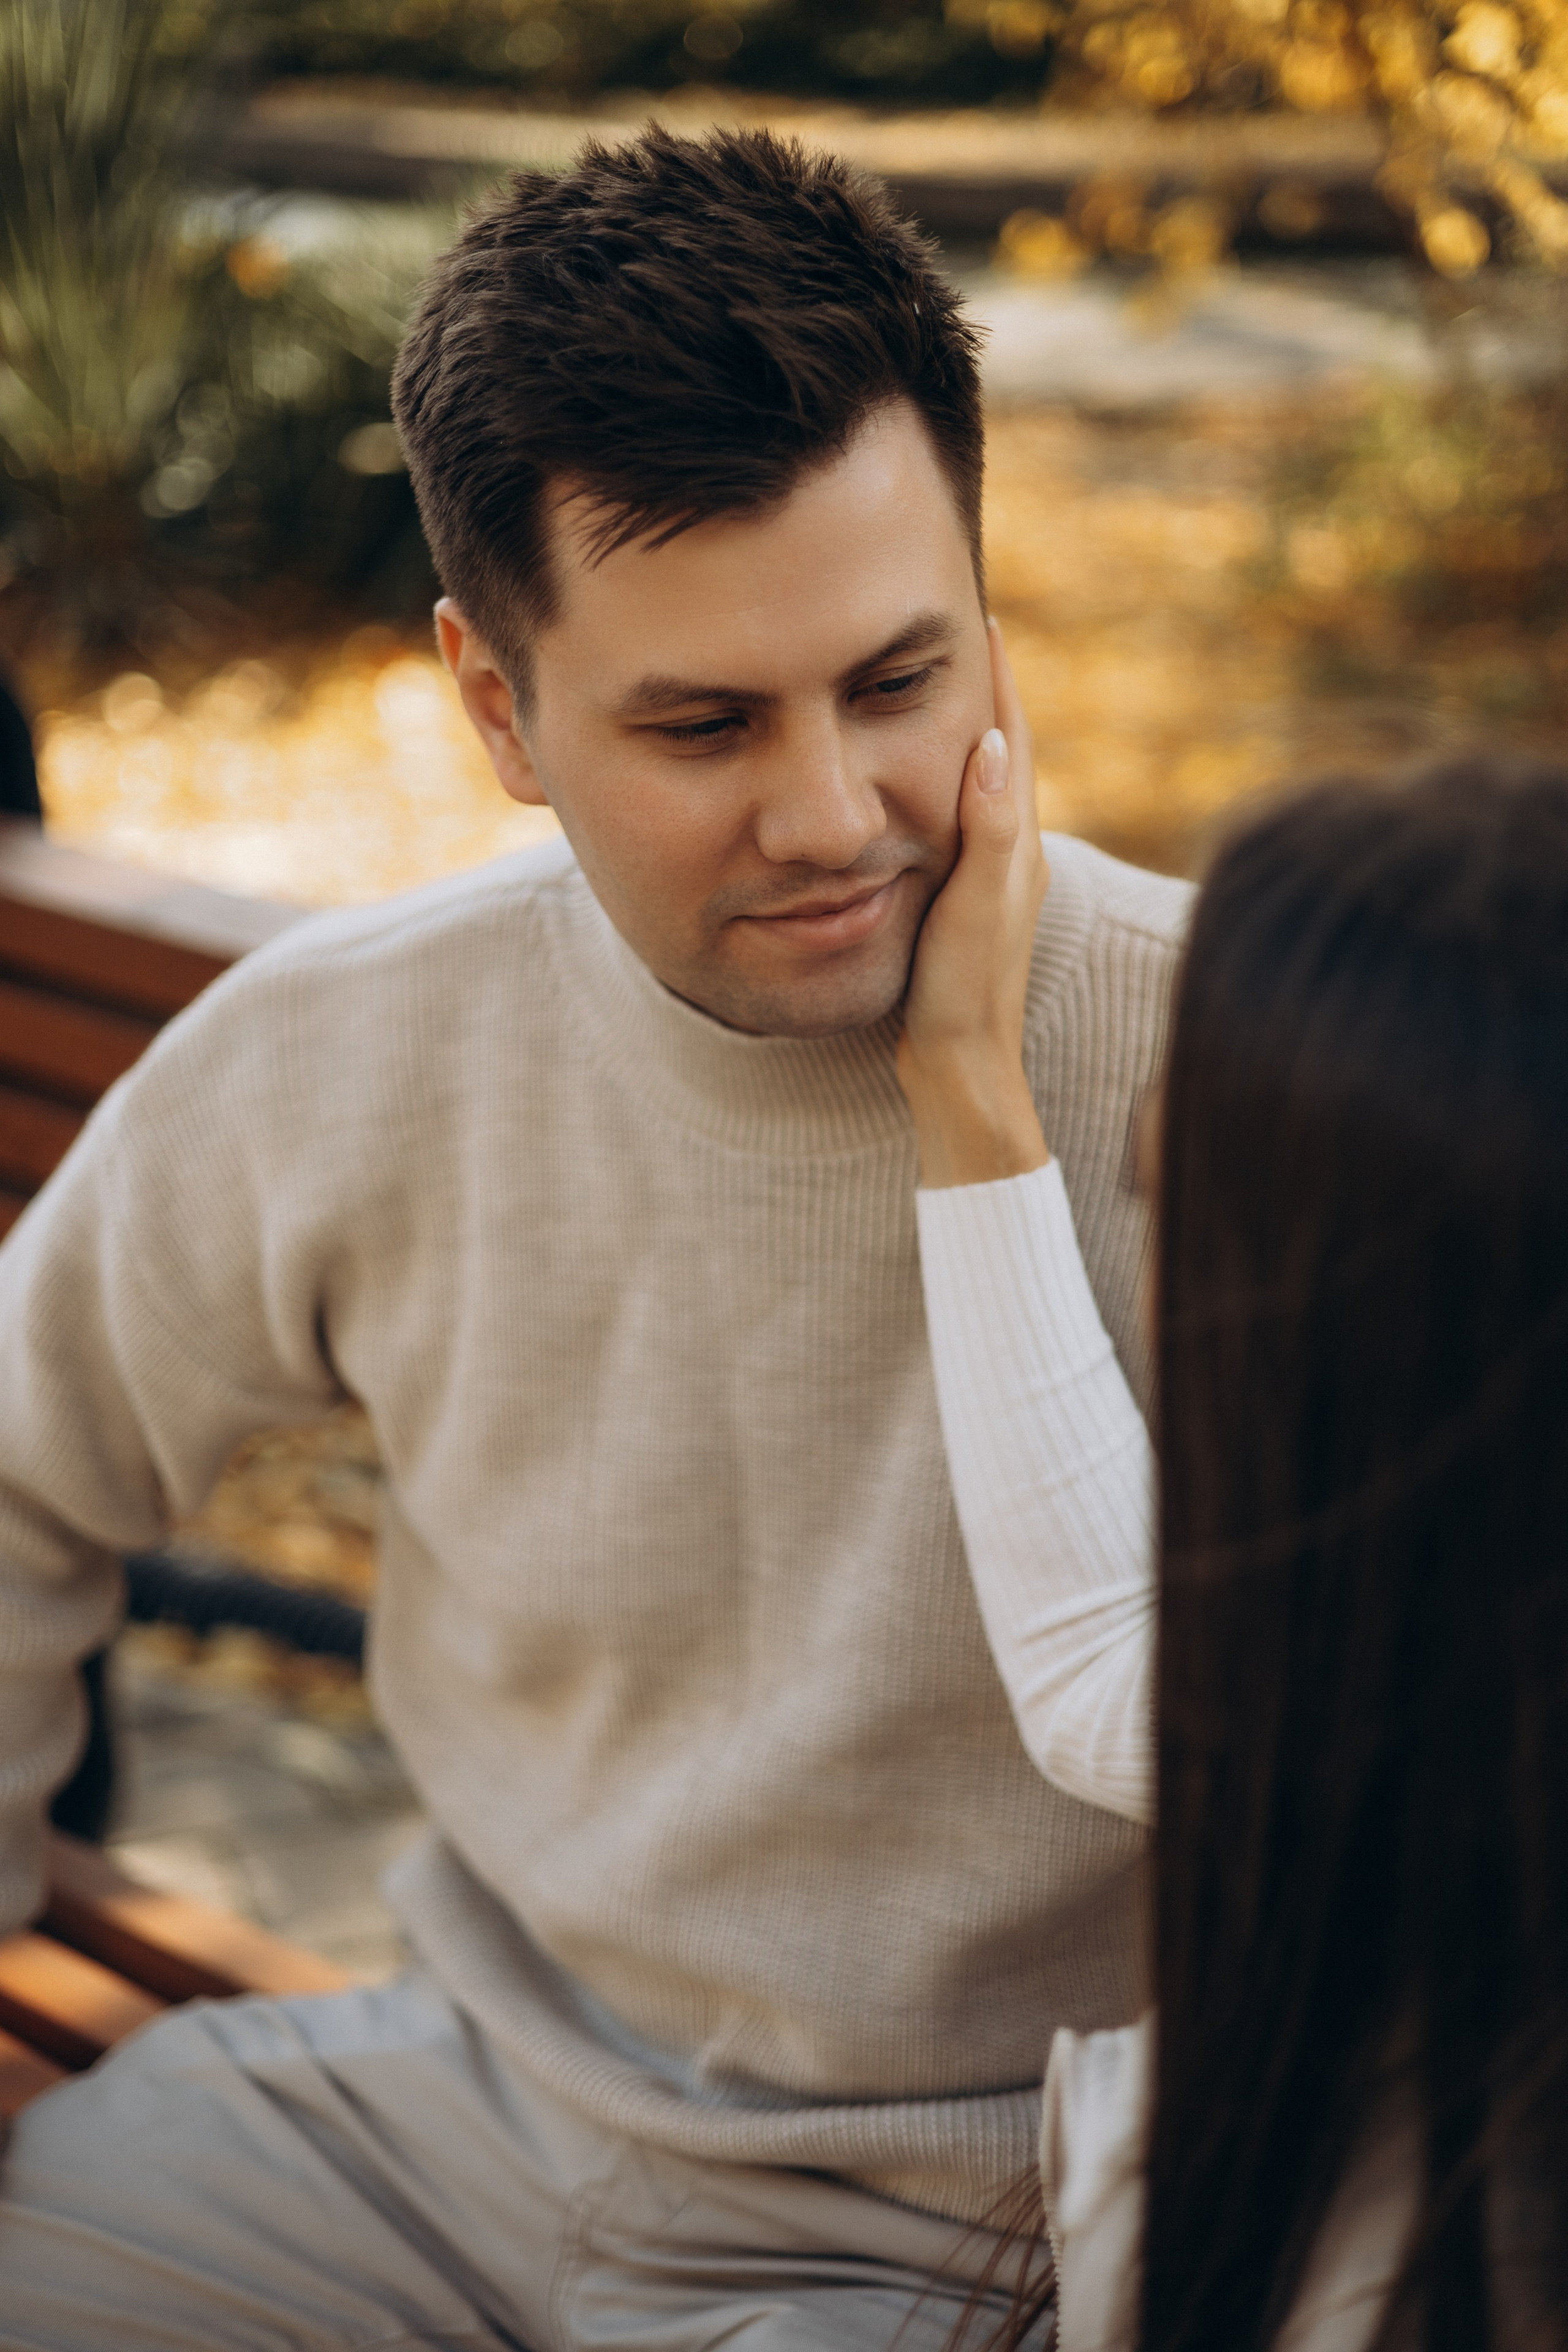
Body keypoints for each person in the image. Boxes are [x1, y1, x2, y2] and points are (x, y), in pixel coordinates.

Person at [0, 130, 1190, 2348]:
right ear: (495, 708)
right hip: (459, 2117)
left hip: (973, 2233)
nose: (834, 815)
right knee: (55, 2222)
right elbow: (17, 1454)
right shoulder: (355, 1052)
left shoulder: (1235, 1066)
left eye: (904, 681)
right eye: (704, 724)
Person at [897, 746, 1568, 2348]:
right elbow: (1112, 1669)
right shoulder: (1462, 1747)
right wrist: (959, 1074)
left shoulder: (1356, 2222)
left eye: (1165, 1190)